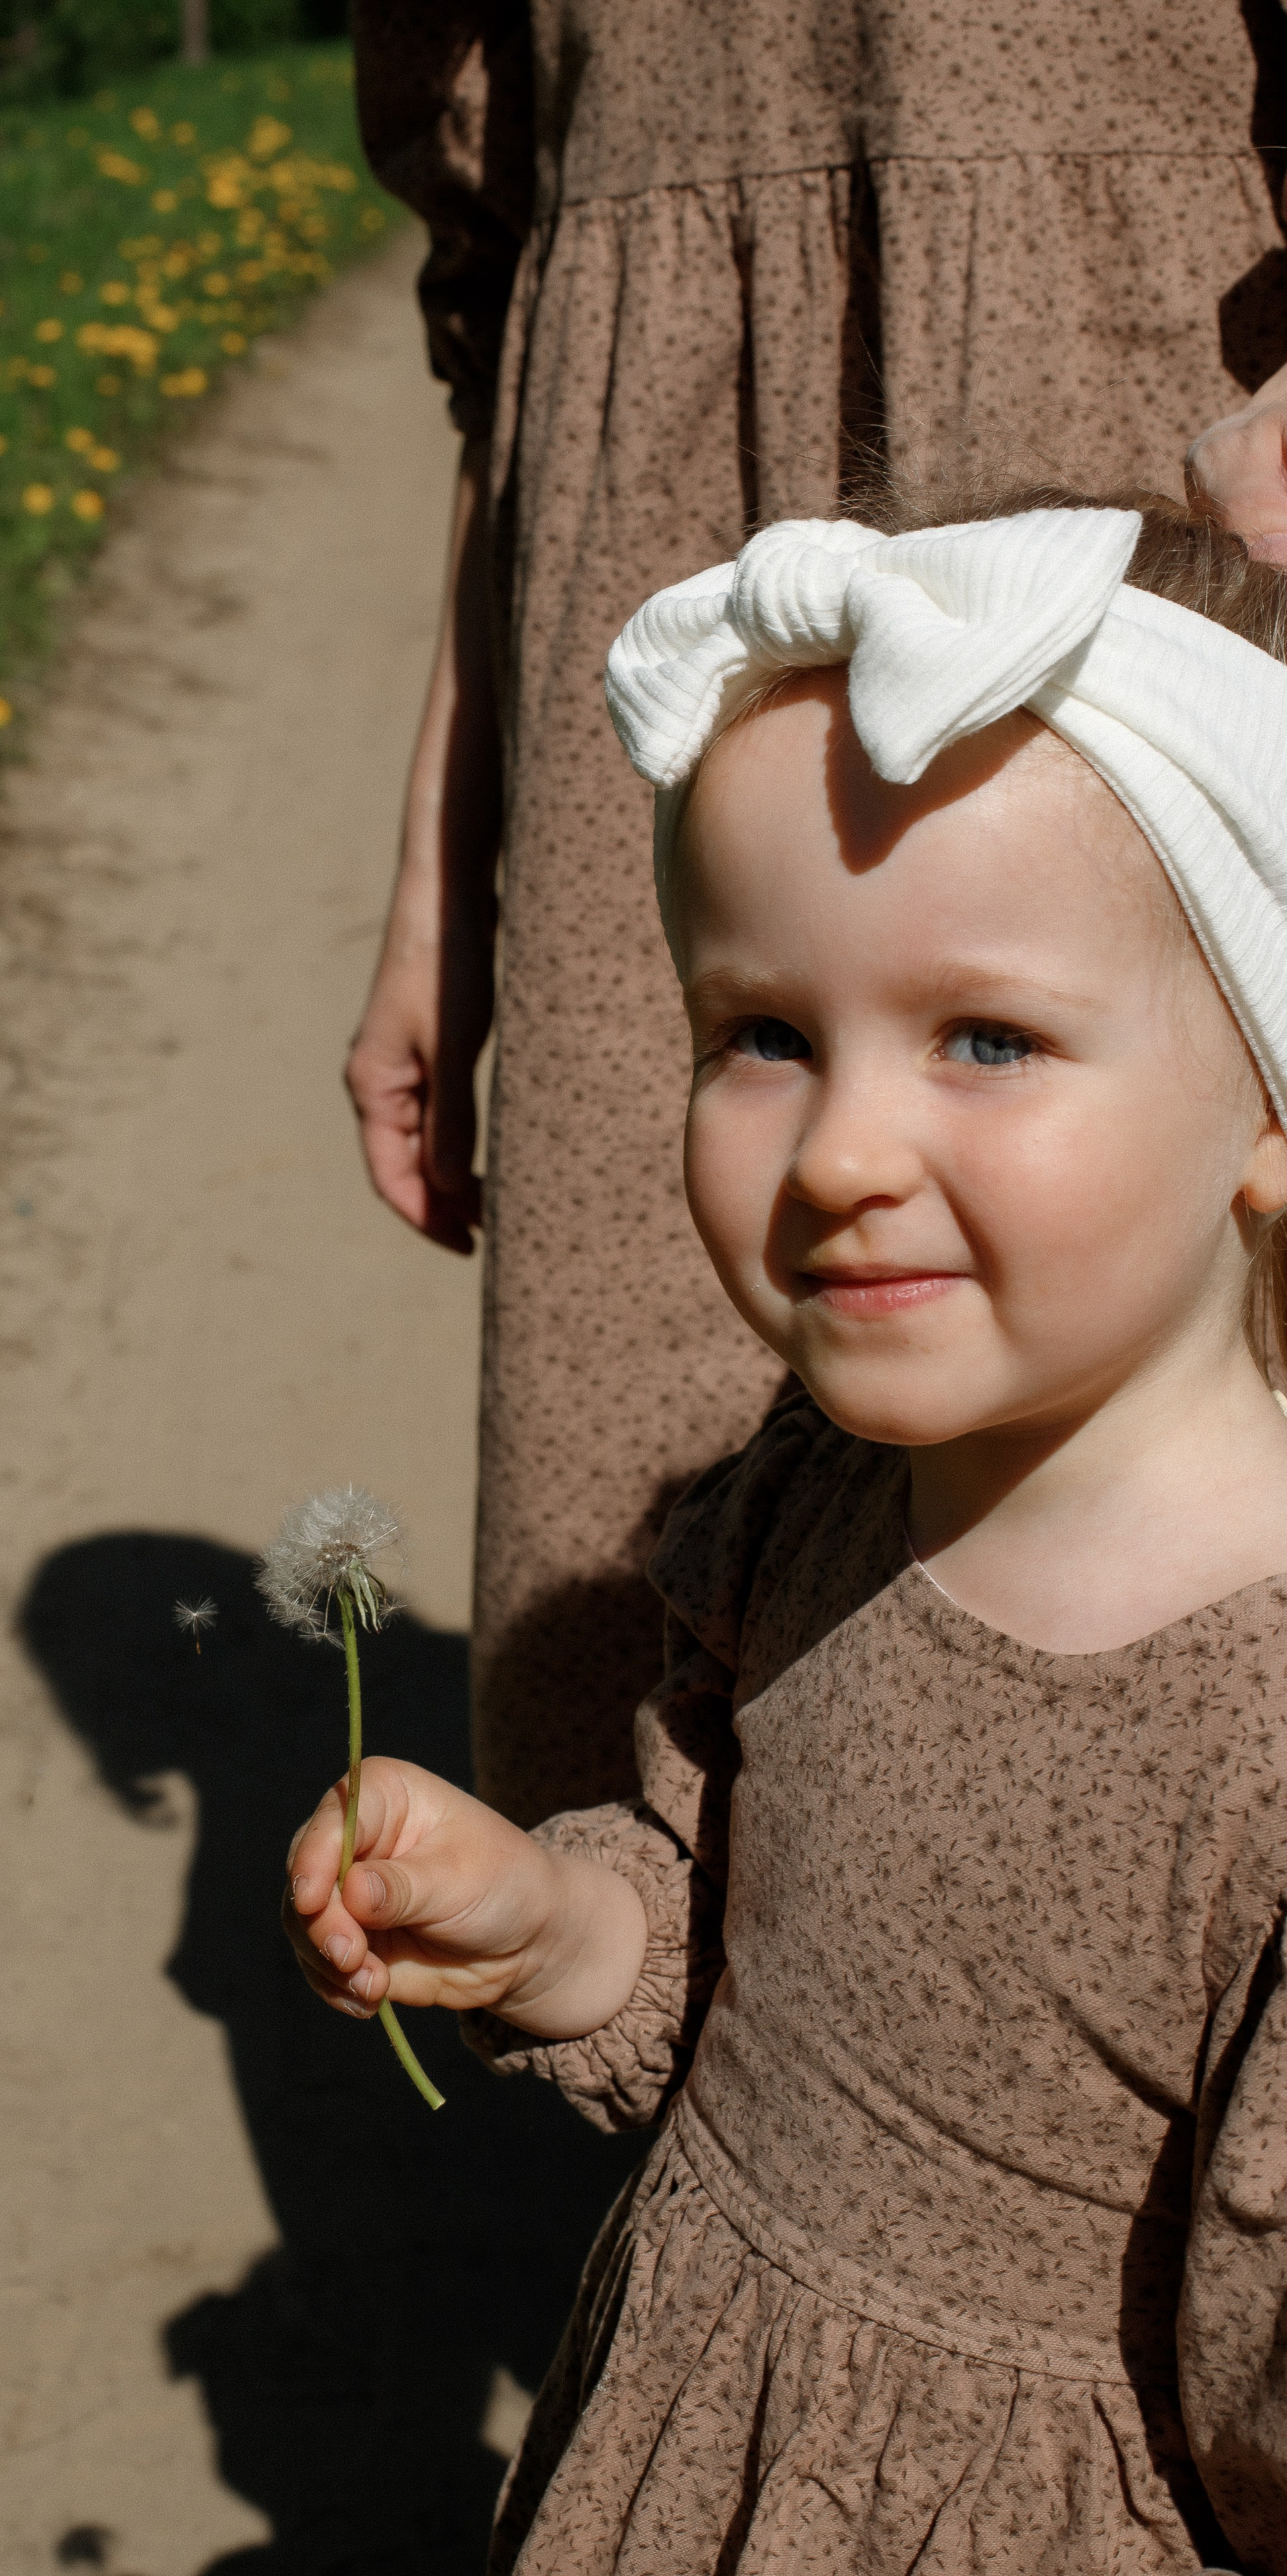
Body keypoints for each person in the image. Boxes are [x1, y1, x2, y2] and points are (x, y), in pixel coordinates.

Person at [288, 493, 1287, 2568]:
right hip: (691, 2457)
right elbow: (737, 1923)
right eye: (761, 1034)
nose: (841, 1151)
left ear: (1268, 1103)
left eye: (988, 1040)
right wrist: (559, 1933)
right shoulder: (813, 1498)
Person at [346, 1, 1287, 1831]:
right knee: (640, 1547)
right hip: (651, 544)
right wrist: (438, 874)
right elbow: (500, 271)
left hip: (1141, 493)